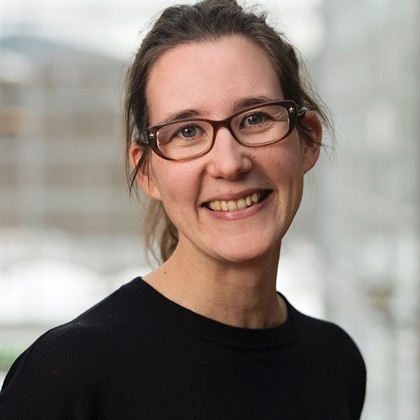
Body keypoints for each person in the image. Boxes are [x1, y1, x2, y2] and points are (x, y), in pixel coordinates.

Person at [0, 0, 366, 418]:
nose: (229, 163)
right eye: (187, 131)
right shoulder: (65, 378)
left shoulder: (335, 363)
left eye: (255, 119)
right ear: (146, 171)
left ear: (308, 140)